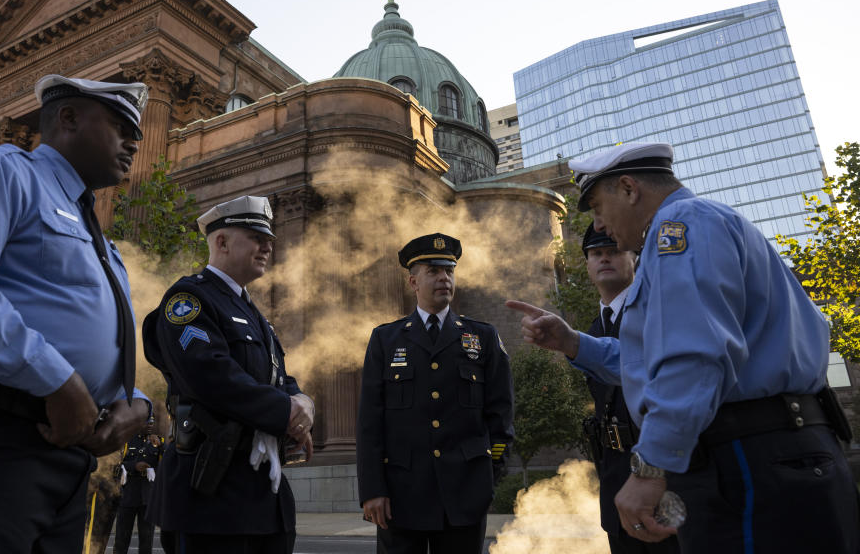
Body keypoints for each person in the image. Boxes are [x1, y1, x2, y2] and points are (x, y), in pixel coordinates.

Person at [507, 142, 859, 553]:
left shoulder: (680, 227)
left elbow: (692, 357)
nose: (600, 225)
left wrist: (650, 466)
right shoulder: (698, 225)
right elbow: (655, 360)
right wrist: (572, 343)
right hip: (775, 452)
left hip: (750, 456)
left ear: (629, 188)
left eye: (598, 208)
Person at [0, 75, 153, 553]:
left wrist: (134, 401)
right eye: (121, 126)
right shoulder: (0, 170)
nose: (134, 143)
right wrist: (55, 379)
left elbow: (92, 333)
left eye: (136, 133)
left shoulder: (100, 236)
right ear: (69, 117)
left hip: (65, 455)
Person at [143, 195, 315, 554]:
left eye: (268, 240)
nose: (267, 246)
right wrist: (285, 413)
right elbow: (211, 376)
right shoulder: (188, 299)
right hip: (210, 492)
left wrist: (302, 403)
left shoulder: (253, 313)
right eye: (256, 238)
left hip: (259, 492)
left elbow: (275, 377)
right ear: (221, 241)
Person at [357, 233, 514, 554]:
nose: (444, 278)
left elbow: (501, 415)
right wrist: (373, 489)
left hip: (465, 494)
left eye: (449, 271)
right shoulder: (386, 340)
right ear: (413, 282)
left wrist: (487, 475)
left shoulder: (481, 337)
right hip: (401, 496)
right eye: (433, 271)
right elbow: (370, 422)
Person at [580, 224, 679, 554]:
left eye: (613, 251)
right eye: (596, 254)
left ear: (633, 258)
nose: (604, 258)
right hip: (616, 478)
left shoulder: (657, 310)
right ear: (587, 265)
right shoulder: (592, 331)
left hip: (663, 478)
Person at [114, 430, 163, 554]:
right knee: (121, 540)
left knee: (146, 542)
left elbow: (167, 462)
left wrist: (161, 445)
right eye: (147, 422)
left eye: (151, 422)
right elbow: (115, 465)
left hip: (148, 497)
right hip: (128, 495)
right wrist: (134, 466)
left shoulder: (158, 441)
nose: (149, 425)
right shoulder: (126, 439)